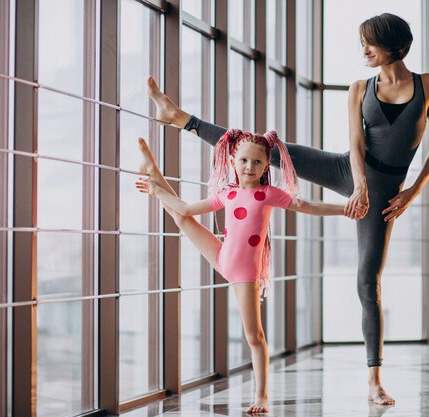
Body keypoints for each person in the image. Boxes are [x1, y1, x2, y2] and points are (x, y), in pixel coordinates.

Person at [145, 12, 429, 406]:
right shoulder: (359, 88)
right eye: (362, 43)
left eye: (370, 43)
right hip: (350, 173)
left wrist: (411, 192)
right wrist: (358, 186)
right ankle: (181, 118)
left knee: (367, 281)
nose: (364, 50)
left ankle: (374, 380)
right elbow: (355, 145)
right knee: (266, 151)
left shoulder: (427, 85)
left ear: (394, 45)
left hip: (388, 192)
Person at [135, 130, 347, 414]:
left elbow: (307, 206)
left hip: (245, 273)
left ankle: (262, 396)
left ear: (265, 165)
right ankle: (154, 172)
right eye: (244, 160)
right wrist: (156, 191)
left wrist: (346, 209)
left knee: (254, 336)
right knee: (181, 219)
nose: (250, 167)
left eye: (258, 163)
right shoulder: (227, 194)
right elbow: (185, 208)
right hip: (222, 257)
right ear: (233, 159)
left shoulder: (268, 194)